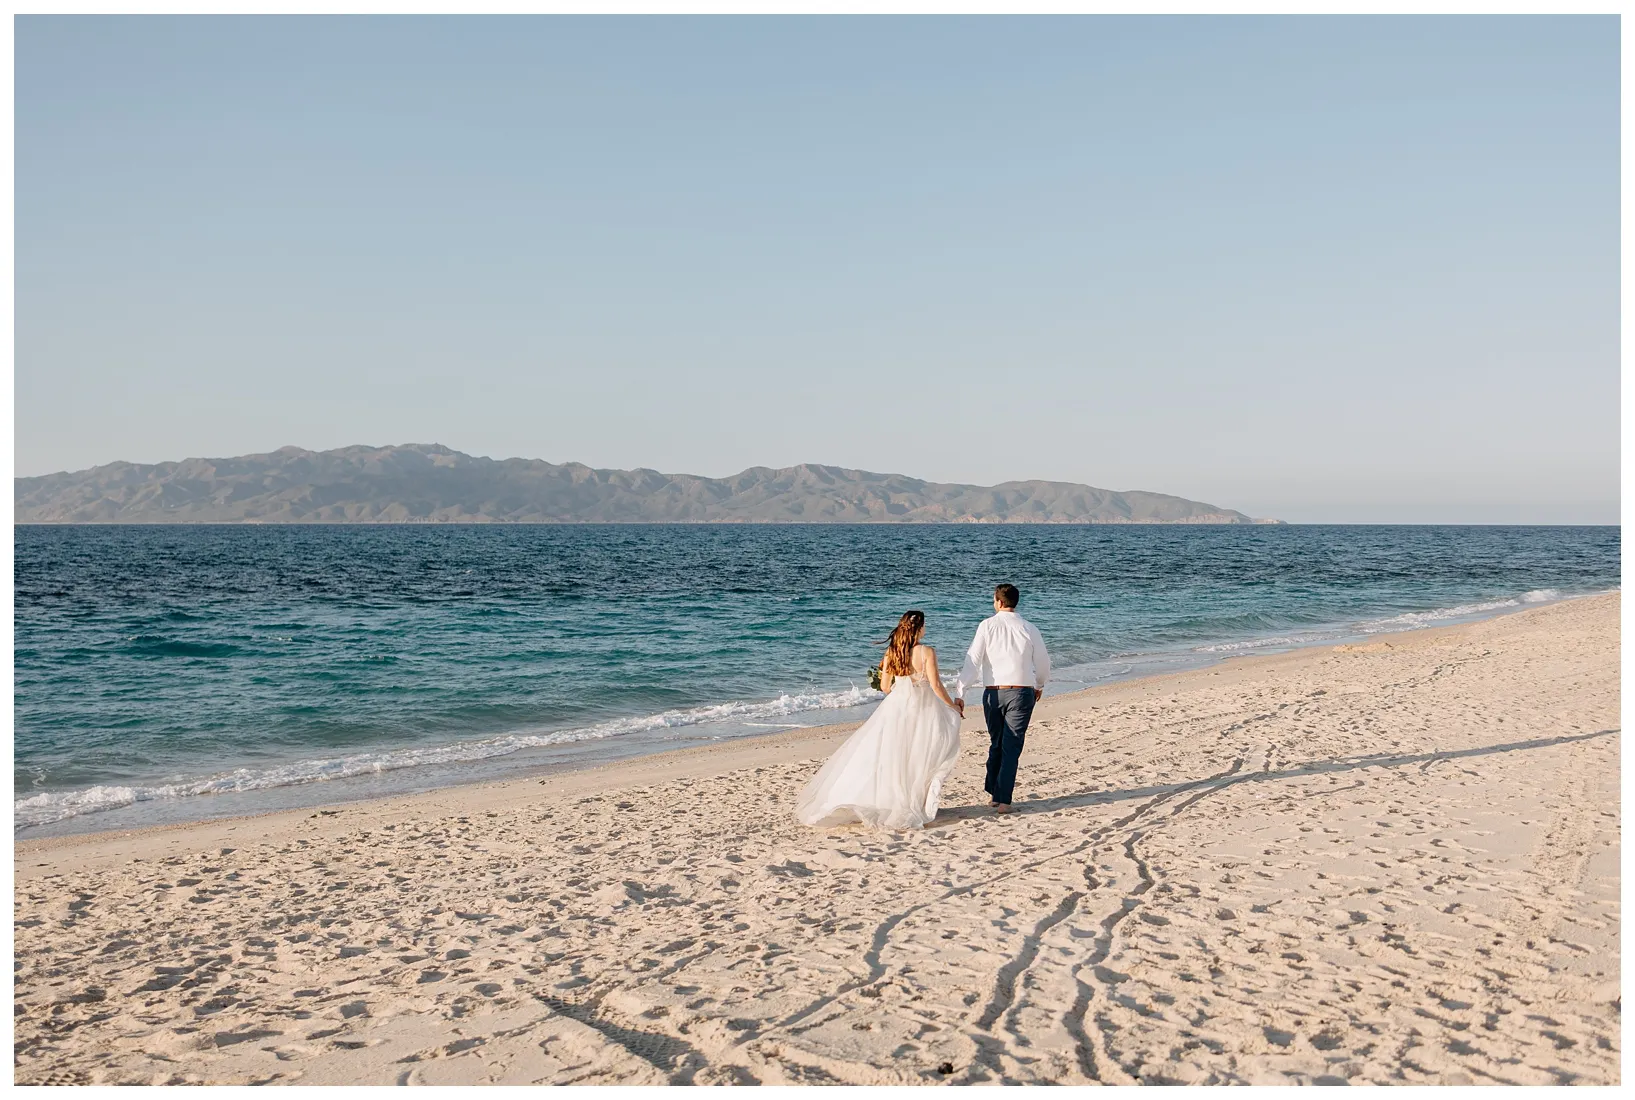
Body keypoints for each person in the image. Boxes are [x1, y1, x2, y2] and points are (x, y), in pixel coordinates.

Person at [795, 610, 963, 830]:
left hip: (896, 708)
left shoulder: (891, 652)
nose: (925, 629)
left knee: (892, 755)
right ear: (919, 628)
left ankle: (889, 801)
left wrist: (902, 688)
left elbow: (884, 687)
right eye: (924, 625)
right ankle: (915, 802)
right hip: (923, 708)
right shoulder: (926, 652)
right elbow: (936, 686)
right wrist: (953, 705)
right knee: (919, 754)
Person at [953, 583, 1051, 815]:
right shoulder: (1029, 627)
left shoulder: (986, 626)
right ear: (1015, 602)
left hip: (993, 692)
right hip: (1021, 691)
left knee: (996, 742)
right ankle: (1002, 798)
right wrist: (1040, 684)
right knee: (1011, 745)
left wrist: (961, 691)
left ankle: (996, 795)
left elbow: (973, 661)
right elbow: (1043, 662)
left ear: (998, 602)